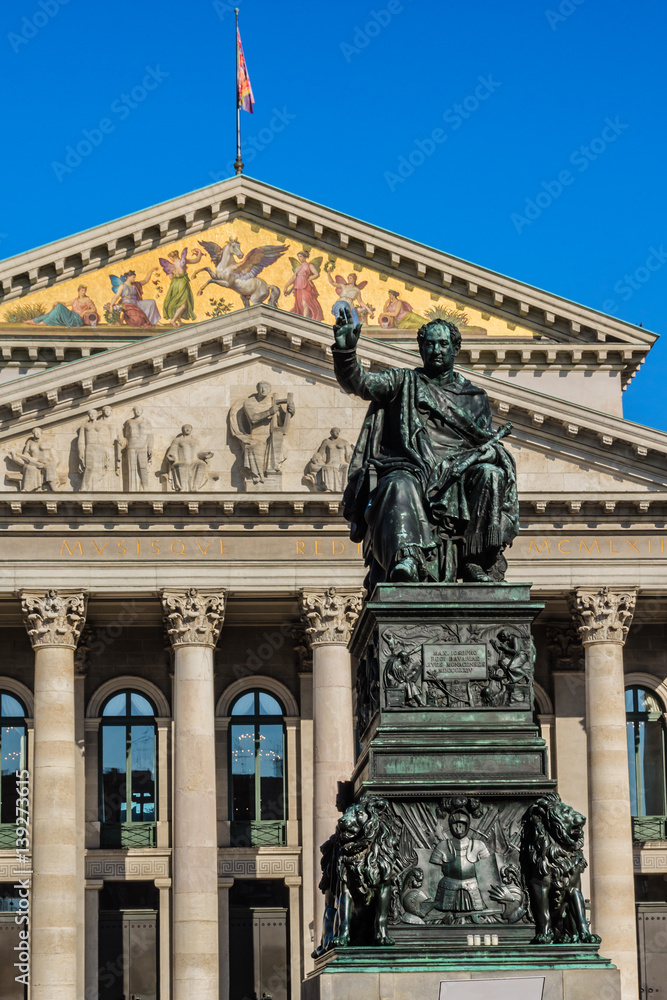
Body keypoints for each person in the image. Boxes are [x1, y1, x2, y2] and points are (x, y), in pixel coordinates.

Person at [332, 307, 519, 587]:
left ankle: (474, 560)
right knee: (398, 483)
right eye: (429, 344)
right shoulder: (402, 381)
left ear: (456, 348)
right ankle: (408, 557)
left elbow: (485, 442)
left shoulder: (475, 398)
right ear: (420, 348)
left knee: (490, 474)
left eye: (443, 344)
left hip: (460, 474)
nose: (436, 350)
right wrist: (346, 354)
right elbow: (361, 383)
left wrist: (490, 454)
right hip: (412, 465)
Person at [229, 382, 295, 486]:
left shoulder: (274, 402)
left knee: (277, 438)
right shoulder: (249, 402)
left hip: (271, 435)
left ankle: (273, 474)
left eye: (266, 387)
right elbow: (253, 418)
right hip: (256, 437)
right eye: (261, 388)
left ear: (270, 389)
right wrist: (269, 412)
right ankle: (257, 478)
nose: (264, 390)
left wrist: (290, 412)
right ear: (257, 389)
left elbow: (282, 419)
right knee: (253, 447)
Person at [429, 808, 490, 913]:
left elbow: (487, 871)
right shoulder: (442, 846)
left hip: (473, 887)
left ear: (467, 826)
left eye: (461, 825)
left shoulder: (479, 845)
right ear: (450, 826)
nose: (458, 828)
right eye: (455, 825)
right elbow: (432, 874)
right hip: (448, 886)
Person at [160, 247, 203, 325]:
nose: (171, 260)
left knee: (177, 302)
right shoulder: (183, 261)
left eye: (170, 258)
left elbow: (171, 278)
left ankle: (178, 321)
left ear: (173, 257)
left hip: (175, 285)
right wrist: (199, 252)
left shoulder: (170, 265)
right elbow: (196, 260)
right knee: (184, 303)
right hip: (182, 283)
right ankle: (173, 320)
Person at [116, 406, 154, 490]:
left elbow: (150, 436)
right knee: (132, 468)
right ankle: (132, 488)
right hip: (131, 446)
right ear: (133, 411)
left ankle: (145, 487)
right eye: (136, 410)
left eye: (139, 410)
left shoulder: (146, 422)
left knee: (143, 467)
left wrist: (150, 448)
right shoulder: (129, 422)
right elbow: (126, 436)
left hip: (143, 446)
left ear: (142, 411)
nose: (137, 411)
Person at [165, 424, 213, 491]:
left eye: (189, 428)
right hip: (182, 461)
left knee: (201, 464)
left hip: (194, 462)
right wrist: (171, 457)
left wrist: (205, 454)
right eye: (186, 428)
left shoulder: (195, 441)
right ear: (182, 430)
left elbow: (198, 453)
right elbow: (171, 452)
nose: (187, 429)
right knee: (182, 465)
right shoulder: (177, 440)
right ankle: (183, 487)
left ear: (191, 429)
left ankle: (196, 487)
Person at [304, 427, 353, 492]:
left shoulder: (344, 442)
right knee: (327, 467)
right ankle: (329, 489)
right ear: (331, 433)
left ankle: (345, 489)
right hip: (331, 462)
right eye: (336, 431)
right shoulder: (326, 442)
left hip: (342, 462)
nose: (337, 433)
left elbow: (349, 454)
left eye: (338, 431)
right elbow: (320, 454)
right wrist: (316, 457)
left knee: (347, 467)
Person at [29, 285, 99, 327]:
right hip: (71, 316)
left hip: (77, 319)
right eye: (82, 290)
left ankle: (42, 322)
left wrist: (85, 312)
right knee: (57, 307)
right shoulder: (75, 300)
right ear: (79, 291)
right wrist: (57, 301)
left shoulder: (87, 300)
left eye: (84, 291)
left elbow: (94, 309)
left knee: (59, 307)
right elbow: (65, 304)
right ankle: (36, 321)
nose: (83, 292)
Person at [284, 250, 324, 320]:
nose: (299, 258)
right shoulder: (297, 268)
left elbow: (316, 274)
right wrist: (286, 286)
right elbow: (293, 278)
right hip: (298, 286)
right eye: (298, 257)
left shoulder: (309, 265)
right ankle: (304, 317)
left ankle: (305, 319)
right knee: (299, 304)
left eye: (301, 256)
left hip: (306, 286)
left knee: (306, 302)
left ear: (305, 257)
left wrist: (309, 279)